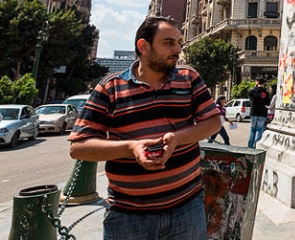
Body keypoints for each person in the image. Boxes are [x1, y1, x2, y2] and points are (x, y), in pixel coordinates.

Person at [68, 16, 222, 240]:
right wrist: (131, 148)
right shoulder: (110, 88)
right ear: (144, 47)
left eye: (179, 43)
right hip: (128, 217)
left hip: (187, 209)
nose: (178, 49)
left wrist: (178, 138)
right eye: (169, 43)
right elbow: (79, 147)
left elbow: (213, 122)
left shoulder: (189, 78)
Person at [248, 78, 271, 148]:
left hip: (253, 112)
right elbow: (268, 103)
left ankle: (250, 146)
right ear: (264, 83)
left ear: (257, 82)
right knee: (259, 130)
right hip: (262, 113)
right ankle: (256, 146)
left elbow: (250, 99)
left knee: (252, 130)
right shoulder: (266, 92)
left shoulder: (252, 91)